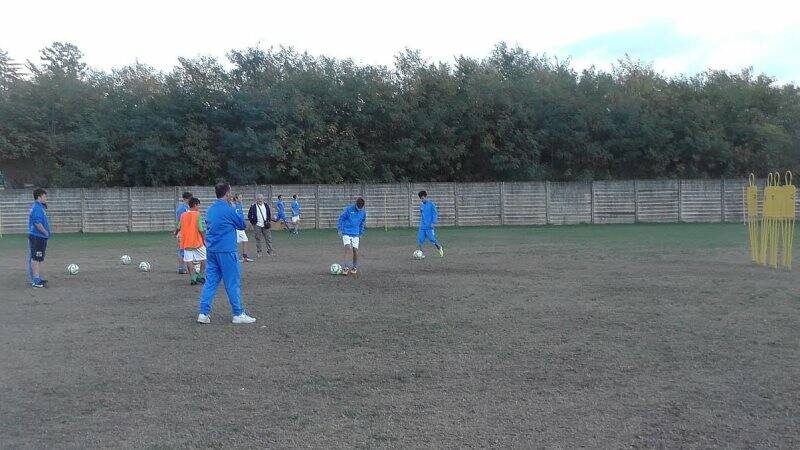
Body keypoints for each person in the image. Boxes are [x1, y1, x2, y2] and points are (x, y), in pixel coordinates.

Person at [196, 182, 256, 324]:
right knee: (232, 282)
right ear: (227, 193)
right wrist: (236, 208)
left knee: (210, 282)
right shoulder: (230, 209)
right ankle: (238, 313)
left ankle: (203, 313)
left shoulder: (210, 209)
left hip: (211, 250)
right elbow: (242, 225)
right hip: (227, 251)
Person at [176, 197, 207, 285]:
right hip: (197, 242)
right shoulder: (197, 214)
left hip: (186, 242)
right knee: (204, 258)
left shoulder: (183, 215)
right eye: (198, 205)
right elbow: (200, 229)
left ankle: (193, 278)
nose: (199, 208)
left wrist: (175, 234)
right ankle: (200, 276)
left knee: (189, 260)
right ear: (195, 205)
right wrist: (204, 239)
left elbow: (178, 227)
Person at [336, 197, 366, 276]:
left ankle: (354, 267)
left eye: (360, 208)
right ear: (356, 204)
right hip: (346, 232)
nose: (359, 209)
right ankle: (345, 267)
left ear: (362, 206)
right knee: (347, 247)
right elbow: (341, 219)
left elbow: (362, 223)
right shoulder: (348, 210)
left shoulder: (363, 213)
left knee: (355, 251)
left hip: (356, 234)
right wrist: (339, 229)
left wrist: (361, 232)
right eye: (358, 208)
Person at [28, 188, 51, 288]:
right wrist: (45, 232)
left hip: (39, 237)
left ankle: (36, 278)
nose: (46, 198)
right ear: (39, 197)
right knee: (35, 258)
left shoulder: (39, 207)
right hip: (38, 237)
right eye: (44, 196)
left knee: (37, 258)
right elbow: (37, 223)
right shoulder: (37, 208)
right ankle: (35, 280)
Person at [417, 190, 444, 258]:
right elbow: (422, 214)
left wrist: (433, 222)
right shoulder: (421, 205)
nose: (422, 200)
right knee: (420, 240)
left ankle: (439, 247)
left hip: (429, 226)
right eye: (421, 199)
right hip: (422, 226)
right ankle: (421, 254)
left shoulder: (431, 204)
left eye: (423, 198)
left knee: (432, 239)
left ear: (426, 197)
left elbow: (434, 214)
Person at [233, 193, 254, 262]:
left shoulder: (240, 206)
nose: (241, 198)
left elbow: (241, 216)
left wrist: (243, 223)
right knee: (236, 243)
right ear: (236, 198)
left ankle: (245, 257)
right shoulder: (234, 206)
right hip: (236, 228)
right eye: (240, 197)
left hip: (241, 228)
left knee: (245, 240)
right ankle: (236, 257)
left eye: (241, 197)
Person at [175, 191, 193, 274]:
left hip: (185, 232)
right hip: (183, 232)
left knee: (184, 250)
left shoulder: (185, 208)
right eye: (190, 199)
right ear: (186, 199)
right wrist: (177, 231)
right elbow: (180, 222)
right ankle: (181, 268)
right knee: (182, 250)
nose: (191, 200)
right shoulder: (183, 208)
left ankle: (184, 267)